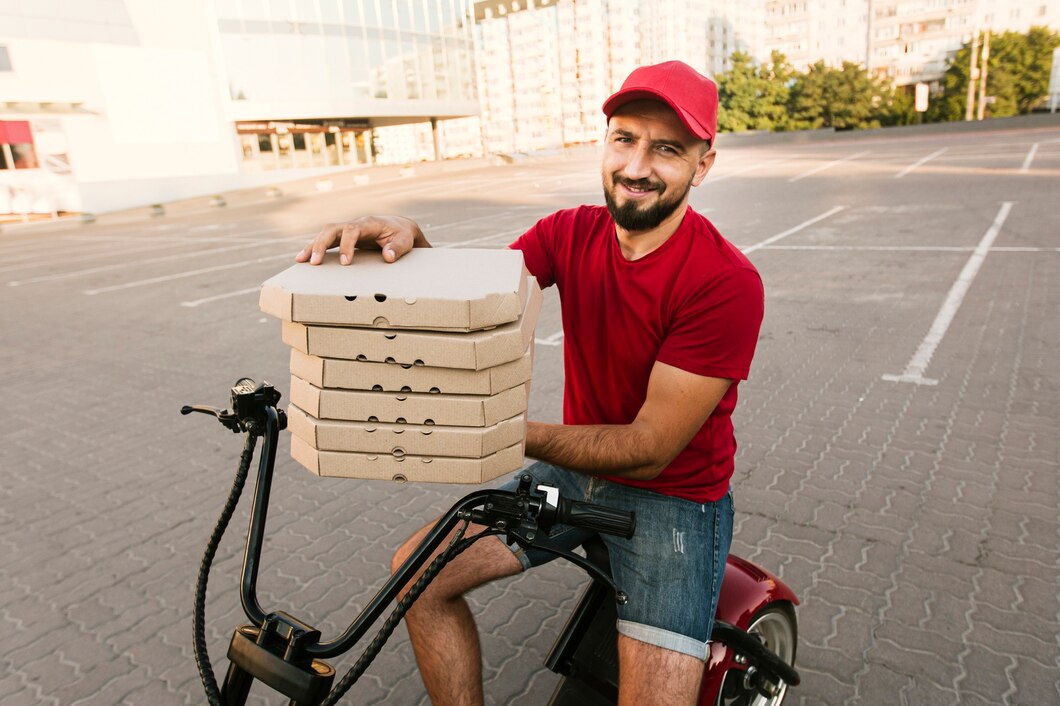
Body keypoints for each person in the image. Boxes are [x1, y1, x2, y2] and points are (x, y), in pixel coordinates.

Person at [296, 61, 764, 705]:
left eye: (667, 149)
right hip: (575, 473)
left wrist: (504, 433)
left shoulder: (725, 283)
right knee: (417, 575)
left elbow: (651, 447)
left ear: (703, 164)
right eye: (624, 138)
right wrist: (411, 242)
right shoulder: (569, 233)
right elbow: (476, 300)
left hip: (675, 502)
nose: (636, 165)